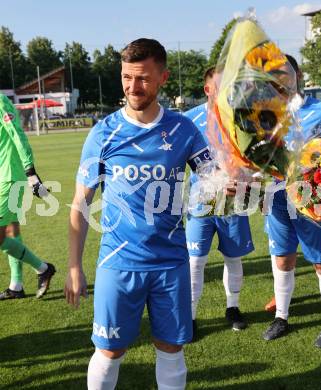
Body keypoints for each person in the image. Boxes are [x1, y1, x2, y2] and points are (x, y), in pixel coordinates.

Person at [64, 38, 212, 390]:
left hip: (171, 262)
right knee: (109, 351)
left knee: (171, 349)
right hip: (119, 262)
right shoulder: (103, 133)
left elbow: (215, 179)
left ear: (163, 77)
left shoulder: (184, 131)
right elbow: (80, 202)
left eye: (143, 78)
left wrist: (233, 183)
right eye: (127, 77)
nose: (133, 87)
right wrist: (73, 266)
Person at [263, 55, 321, 348]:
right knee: (282, 258)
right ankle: (281, 317)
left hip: (312, 196)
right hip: (277, 197)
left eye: (285, 73)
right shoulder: (265, 114)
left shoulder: (320, 110)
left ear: (298, 75)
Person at [184, 66, 254, 338]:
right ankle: (190, 316)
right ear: (207, 89)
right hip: (200, 205)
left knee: (233, 258)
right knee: (194, 262)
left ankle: (232, 308)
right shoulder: (189, 121)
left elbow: (253, 162)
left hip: (233, 203)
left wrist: (246, 181)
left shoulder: (242, 120)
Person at [0, 93, 56, 300]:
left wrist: (30, 171)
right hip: (2, 177)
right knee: (11, 230)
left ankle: (43, 269)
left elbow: (16, 134)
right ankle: (16, 285)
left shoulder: (0, 101)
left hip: (10, 176)